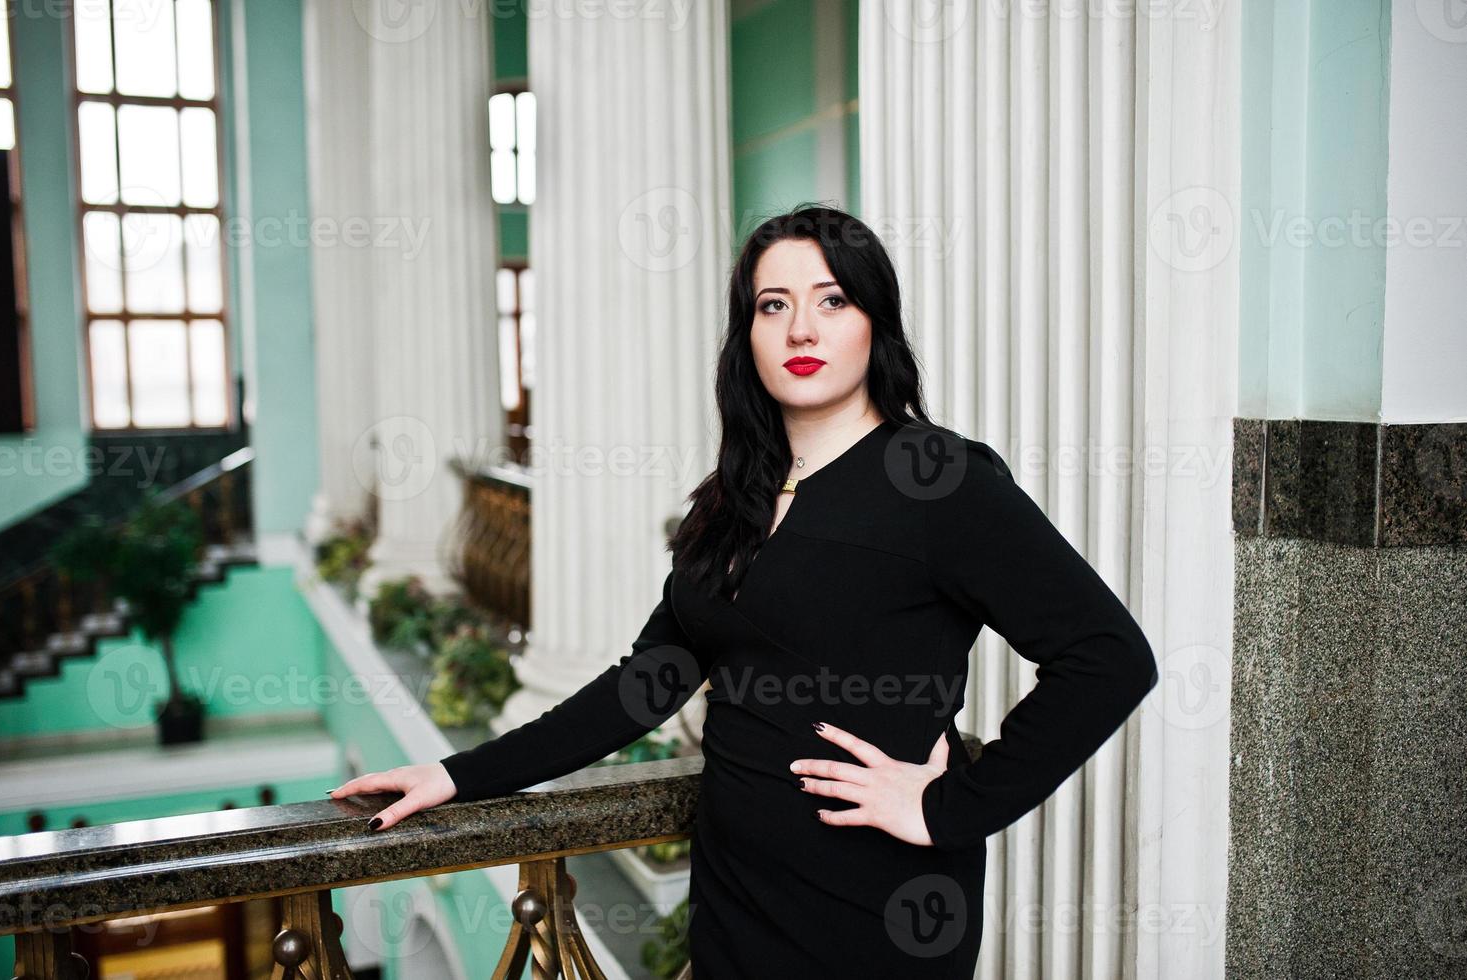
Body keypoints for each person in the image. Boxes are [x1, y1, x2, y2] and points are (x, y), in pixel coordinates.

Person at [328, 204, 1159, 976]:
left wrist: (952, 807)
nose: (801, 327)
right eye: (773, 305)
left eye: (832, 301)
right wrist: (456, 774)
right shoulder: (733, 497)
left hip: (874, 911)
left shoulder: (941, 482)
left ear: (876, 322)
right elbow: (643, 683)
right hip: (733, 900)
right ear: (747, 334)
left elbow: (1107, 659)